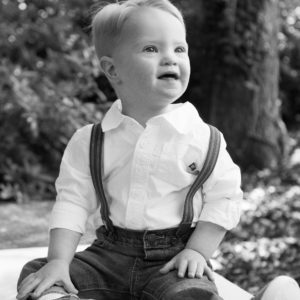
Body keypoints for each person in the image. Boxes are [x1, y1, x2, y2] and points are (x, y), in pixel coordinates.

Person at [17, 0, 242, 299]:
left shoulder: (203, 138)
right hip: (108, 258)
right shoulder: (91, 141)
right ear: (112, 69)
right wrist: (59, 261)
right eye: (151, 49)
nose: (170, 59)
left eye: (179, 49)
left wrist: (198, 251)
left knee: (189, 292)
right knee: (38, 272)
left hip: (171, 263)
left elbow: (224, 196)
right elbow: (72, 201)